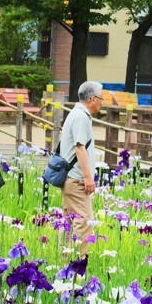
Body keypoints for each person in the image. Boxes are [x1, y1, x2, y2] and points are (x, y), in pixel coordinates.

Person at [59, 81, 103, 256]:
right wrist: (88, 177)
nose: (102, 102)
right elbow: (79, 147)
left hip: (71, 178)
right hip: (76, 180)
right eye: (101, 98)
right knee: (84, 223)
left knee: (69, 222)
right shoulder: (81, 116)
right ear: (92, 98)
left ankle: (64, 262)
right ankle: (78, 266)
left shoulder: (76, 113)